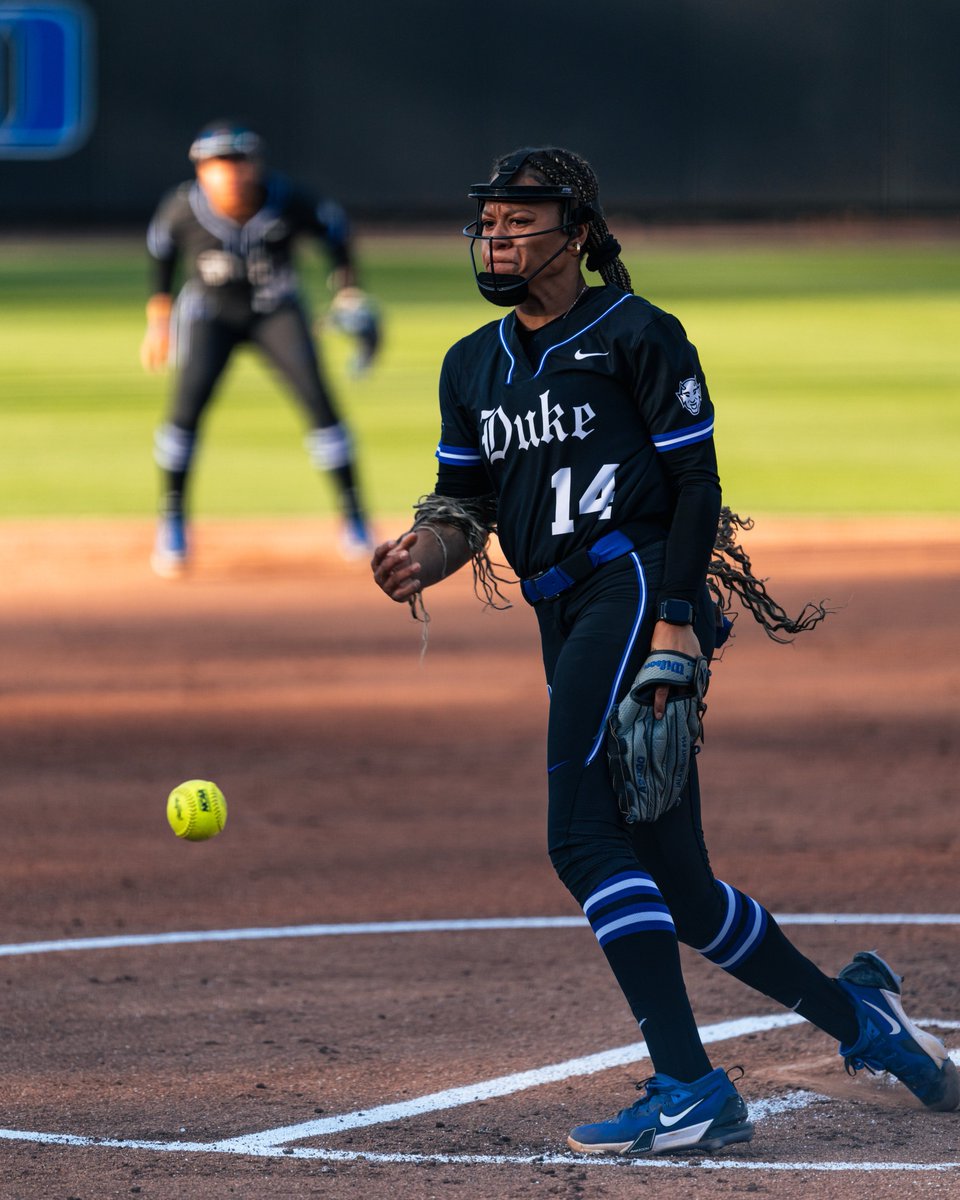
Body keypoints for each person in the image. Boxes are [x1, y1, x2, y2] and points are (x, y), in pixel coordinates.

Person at [371, 146, 958, 1155]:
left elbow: (695, 487)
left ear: (580, 233)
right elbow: (463, 502)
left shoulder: (639, 334)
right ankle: (867, 1021)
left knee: (579, 839)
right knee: (680, 887)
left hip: (635, 589)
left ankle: (689, 1085)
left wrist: (679, 625)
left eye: (519, 220)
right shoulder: (471, 363)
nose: (497, 236)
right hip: (564, 613)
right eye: (490, 222)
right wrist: (425, 550)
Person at [140, 119, 379, 577]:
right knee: (183, 416)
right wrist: (158, 320)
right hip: (210, 314)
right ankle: (171, 523)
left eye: (237, 161)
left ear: (255, 164)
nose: (228, 172)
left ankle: (354, 520)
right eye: (216, 164)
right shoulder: (182, 209)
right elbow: (161, 255)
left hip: (276, 312)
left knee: (322, 408)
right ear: (201, 170)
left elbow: (337, 234)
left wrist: (348, 291)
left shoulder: (287, 199)